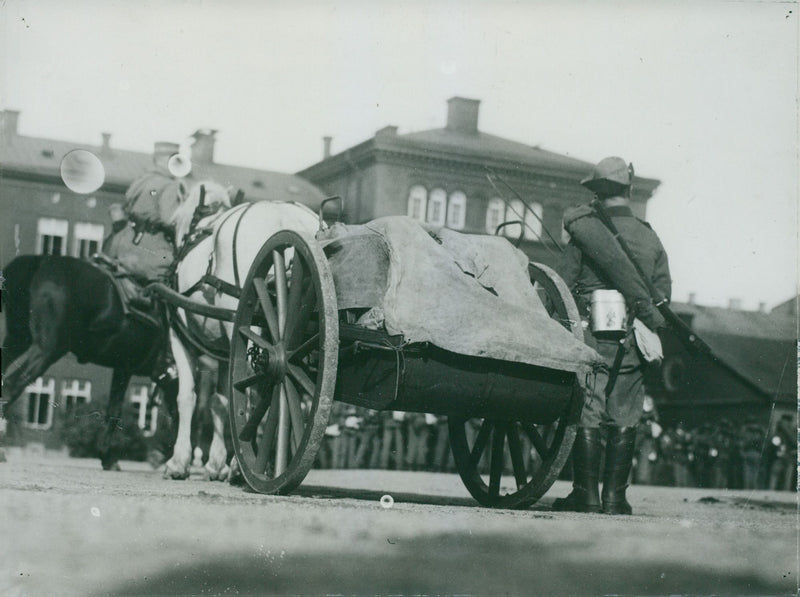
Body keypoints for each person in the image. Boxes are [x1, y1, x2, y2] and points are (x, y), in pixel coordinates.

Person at [552, 156, 671, 515]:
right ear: (630, 190)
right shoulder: (650, 237)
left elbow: (564, 285)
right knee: (625, 413)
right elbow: (663, 293)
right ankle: (615, 499)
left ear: (596, 192)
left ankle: (585, 495)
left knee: (589, 407)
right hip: (632, 338)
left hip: (591, 334)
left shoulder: (585, 232)